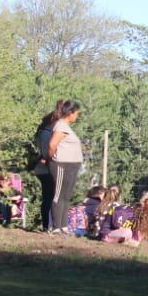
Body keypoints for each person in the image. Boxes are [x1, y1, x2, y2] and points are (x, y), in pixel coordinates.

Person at [45, 99, 84, 234]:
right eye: (76, 113)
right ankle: (56, 227)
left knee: (66, 196)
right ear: (70, 113)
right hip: (61, 165)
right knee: (58, 195)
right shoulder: (60, 126)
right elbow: (51, 145)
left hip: (72, 166)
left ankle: (64, 226)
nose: (77, 116)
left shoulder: (66, 127)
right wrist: (51, 158)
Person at [32, 102, 61, 231]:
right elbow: (49, 151)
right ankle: (49, 225)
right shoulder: (48, 134)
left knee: (48, 197)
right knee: (51, 197)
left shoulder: (42, 133)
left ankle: (47, 225)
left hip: (42, 169)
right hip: (48, 168)